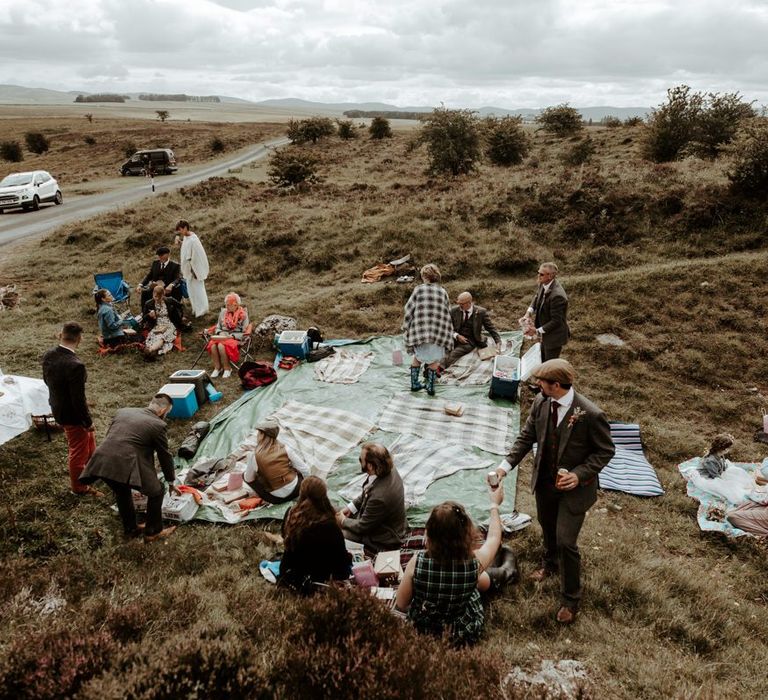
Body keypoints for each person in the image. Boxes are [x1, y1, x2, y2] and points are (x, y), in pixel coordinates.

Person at [493, 359, 615, 624]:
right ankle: (550, 564)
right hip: (546, 482)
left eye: (542, 382)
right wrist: (504, 467)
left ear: (556, 385)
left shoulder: (591, 414)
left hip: (574, 490)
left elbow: (606, 451)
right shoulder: (541, 402)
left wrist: (579, 474)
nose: (537, 386)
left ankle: (571, 597)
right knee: (547, 527)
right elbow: (527, 437)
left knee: (565, 542)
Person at [395, 483, 517, 646]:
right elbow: (494, 538)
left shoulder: (416, 562)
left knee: (479, 579)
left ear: (430, 534)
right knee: (480, 579)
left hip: (424, 631)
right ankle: (506, 572)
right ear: (465, 533)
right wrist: (494, 505)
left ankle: (504, 571)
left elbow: (401, 604)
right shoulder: (474, 562)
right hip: (460, 632)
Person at [79, 394, 179, 542]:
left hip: (102, 460)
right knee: (157, 491)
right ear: (163, 410)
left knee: (121, 491)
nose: (166, 416)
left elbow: (114, 437)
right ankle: (153, 532)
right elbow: (165, 456)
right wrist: (171, 481)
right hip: (126, 461)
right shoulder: (158, 425)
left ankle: (130, 529)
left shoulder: (123, 411)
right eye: (167, 413)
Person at [41, 322, 103, 497]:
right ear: (80, 339)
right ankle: (79, 487)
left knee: (89, 439)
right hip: (72, 415)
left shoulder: (48, 355)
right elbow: (78, 399)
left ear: (61, 334)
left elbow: (47, 381)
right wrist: (87, 421)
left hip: (57, 406)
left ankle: (93, 470)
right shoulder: (76, 365)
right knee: (77, 450)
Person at [279, 476, 353, 594]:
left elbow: (285, 539)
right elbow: (341, 566)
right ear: (324, 496)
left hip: (290, 575)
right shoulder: (329, 525)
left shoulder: (290, 514)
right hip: (319, 581)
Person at [336, 442, 407, 553]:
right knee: (332, 509)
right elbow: (367, 492)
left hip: (382, 536)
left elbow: (363, 526)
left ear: (370, 466)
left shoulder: (380, 497)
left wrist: (343, 521)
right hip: (374, 518)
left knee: (335, 535)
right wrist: (351, 507)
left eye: (361, 459)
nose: (359, 461)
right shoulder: (388, 468)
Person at [402, 263, 453, 396]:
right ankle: (430, 387)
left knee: (417, 357)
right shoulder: (443, 292)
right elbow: (447, 312)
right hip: (438, 332)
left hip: (420, 331)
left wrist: (406, 326)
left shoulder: (419, 290)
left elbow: (409, 309)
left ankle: (414, 384)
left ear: (425, 276)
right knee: (434, 360)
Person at [243, 419, 310, 504]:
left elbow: (249, 479)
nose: (257, 436)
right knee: (297, 469)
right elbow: (305, 469)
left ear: (262, 435)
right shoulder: (286, 449)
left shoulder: (253, 456)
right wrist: (307, 487)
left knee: (245, 476)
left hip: (275, 499)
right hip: (297, 491)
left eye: (258, 433)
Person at [520, 262, 569, 362]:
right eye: (538, 272)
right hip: (545, 331)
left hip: (554, 336)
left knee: (549, 364)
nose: (538, 276)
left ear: (550, 276)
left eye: (541, 274)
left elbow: (556, 321)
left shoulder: (558, 296)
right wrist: (529, 312)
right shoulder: (544, 283)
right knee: (542, 358)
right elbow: (537, 296)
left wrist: (537, 331)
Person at [442, 291, 502, 369]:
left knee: (454, 354)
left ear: (469, 302)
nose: (459, 305)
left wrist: (498, 342)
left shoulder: (481, 312)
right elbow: (447, 326)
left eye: (462, 304)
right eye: (459, 303)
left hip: (469, 341)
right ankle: (435, 368)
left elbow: (491, 329)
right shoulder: (454, 310)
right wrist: (456, 335)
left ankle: (440, 369)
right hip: (454, 337)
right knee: (444, 350)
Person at [206, 293, 249, 379]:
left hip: (234, 337)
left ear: (236, 304)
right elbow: (218, 326)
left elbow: (244, 331)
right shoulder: (223, 312)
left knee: (221, 346)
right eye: (226, 305)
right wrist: (220, 333)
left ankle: (227, 368)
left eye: (229, 305)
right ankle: (217, 368)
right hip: (222, 335)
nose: (227, 307)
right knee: (213, 345)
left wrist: (232, 336)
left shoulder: (243, 314)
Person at [176, 219, 209, 318]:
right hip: (189, 270)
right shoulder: (187, 238)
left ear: (185, 228)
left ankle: (202, 310)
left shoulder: (193, 239)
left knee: (198, 290)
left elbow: (194, 256)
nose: (180, 232)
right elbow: (187, 248)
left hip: (194, 270)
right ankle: (196, 308)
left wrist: (194, 270)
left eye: (180, 230)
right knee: (191, 291)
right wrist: (180, 242)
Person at [142, 284, 185, 359]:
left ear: (163, 295)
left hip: (168, 323)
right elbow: (144, 318)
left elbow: (180, 306)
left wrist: (181, 317)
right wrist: (149, 315)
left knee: (162, 337)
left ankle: (150, 350)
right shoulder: (148, 303)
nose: (157, 299)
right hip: (157, 324)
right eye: (155, 296)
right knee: (156, 336)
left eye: (159, 297)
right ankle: (151, 350)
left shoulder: (169, 300)